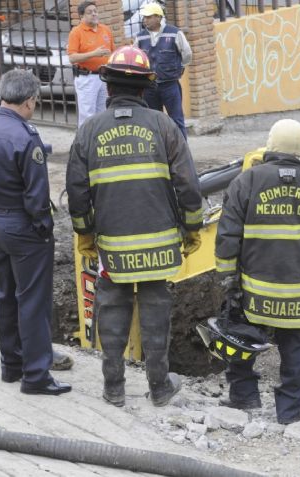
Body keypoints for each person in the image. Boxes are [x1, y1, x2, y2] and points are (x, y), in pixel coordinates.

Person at [66, 45, 203, 408]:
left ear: (107, 88)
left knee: (112, 308)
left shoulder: (89, 131)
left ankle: (113, 388)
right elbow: (188, 185)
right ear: (145, 89)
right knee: (156, 310)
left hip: (113, 245)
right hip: (160, 244)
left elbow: (77, 192)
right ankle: (159, 387)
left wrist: (85, 234)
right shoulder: (165, 126)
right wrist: (192, 228)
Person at [214, 119, 300, 425]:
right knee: (298, 351)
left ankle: (244, 394)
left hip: (254, 294)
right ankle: (289, 411)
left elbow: (227, 237)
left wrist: (229, 281)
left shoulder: (246, 182)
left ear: (271, 145)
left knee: (238, 336)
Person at [0, 69, 71, 396]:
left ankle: (11, 365)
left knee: (4, 295)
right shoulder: (26, 137)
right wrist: (44, 229)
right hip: (22, 227)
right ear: (28, 102)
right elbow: (36, 197)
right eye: (35, 102)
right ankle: (36, 375)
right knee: (33, 301)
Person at [136, 3, 191, 138]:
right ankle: (158, 151)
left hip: (170, 84)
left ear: (158, 18)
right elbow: (137, 58)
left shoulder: (175, 33)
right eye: (144, 17)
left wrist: (180, 67)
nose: (145, 20)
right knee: (153, 121)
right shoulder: (140, 37)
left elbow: (187, 54)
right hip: (149, 86)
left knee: (176, 119)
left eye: (149, 17)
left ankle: (181, 151)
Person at [67, 0, 115, 127]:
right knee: (87, 115)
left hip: (104, 77)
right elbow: (72, 58)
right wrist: (93, 54)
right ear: (81, 16)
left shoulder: (105, 30)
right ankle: (85, 144)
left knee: (103, 112)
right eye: (89, 12)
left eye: (95, 11)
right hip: (87, 78)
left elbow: (112, 52)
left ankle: (101, 141)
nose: (94, 14)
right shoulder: (76, 32)